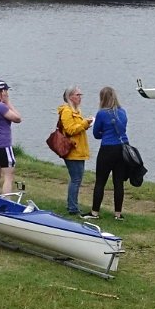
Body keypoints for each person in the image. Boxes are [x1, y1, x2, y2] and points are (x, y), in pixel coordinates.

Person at [89, 86, 128, 220]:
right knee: (118, 182)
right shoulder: (122, 112)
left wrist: (104, 134)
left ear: (102, 99)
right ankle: (118, 213)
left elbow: (96, 134)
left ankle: (95, 212)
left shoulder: (101, 114)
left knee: (100, 181)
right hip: (121, 149)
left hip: (107, 149)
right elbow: (123, 130)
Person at [56, 86, 94, 215]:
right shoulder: (67, 111)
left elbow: (77, 129)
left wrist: (86, 124)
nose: (80, 97)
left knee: (76, 179)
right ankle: (72, 207)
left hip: (79, 150)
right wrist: (84, 123)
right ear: (70, 97)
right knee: (76, 179)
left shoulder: (76, 111)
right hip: (72, 151)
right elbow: (70, 130)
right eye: (78, 95)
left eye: (80, 95)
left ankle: (72, 205)